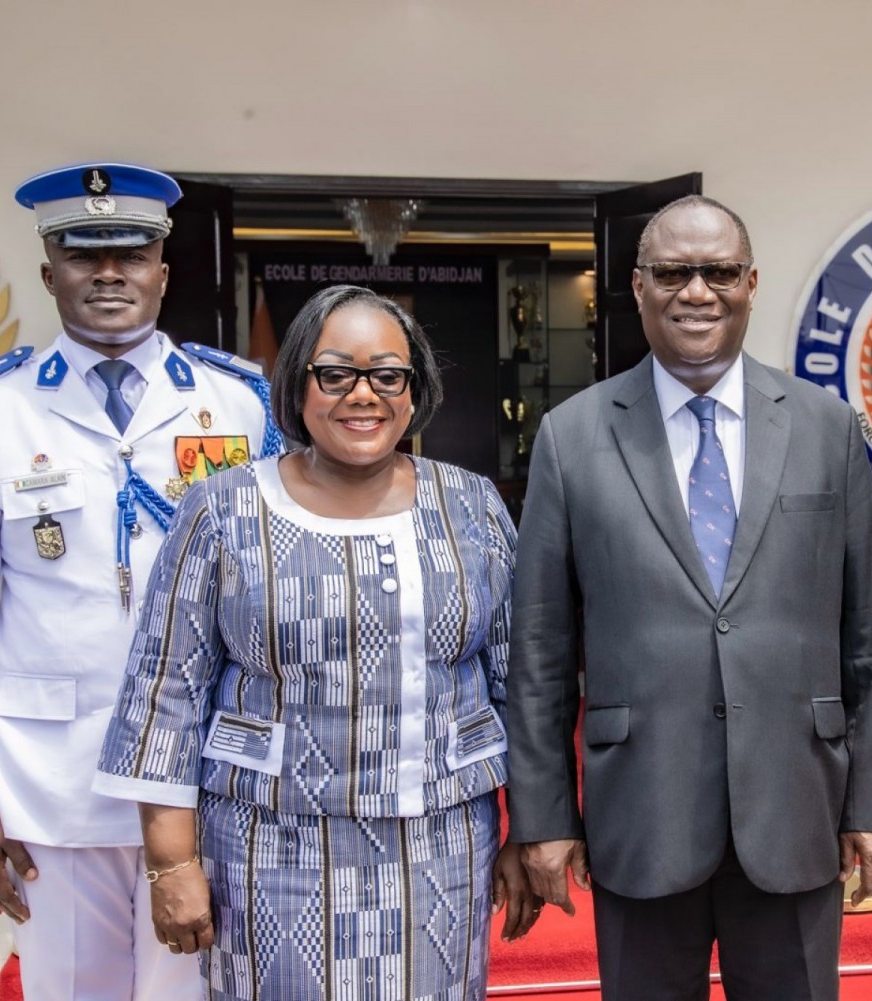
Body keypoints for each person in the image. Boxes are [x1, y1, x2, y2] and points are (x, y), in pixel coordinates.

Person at [506, 195, 872, 1001]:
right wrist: (545, 817)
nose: (698, 291)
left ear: (751, 282)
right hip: (641, 809)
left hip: (796, 804)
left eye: (719, 271)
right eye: (674, 272)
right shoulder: (573, 434)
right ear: (638, 285)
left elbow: (868, 628)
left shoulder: (827, 427)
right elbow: (542, 650)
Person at [94, 285, 541, 1000]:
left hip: (440, 849)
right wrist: (171, 863)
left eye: (387, 374)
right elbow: (164, 688)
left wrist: (532, 827)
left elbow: (520, 678)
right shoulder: (223, 506)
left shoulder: (470, 503)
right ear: (297, 383)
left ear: (415, 388)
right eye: (335, 373)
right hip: (268, 850)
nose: (362, 395)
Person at [0, 162, 278, 1000]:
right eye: (84, 256)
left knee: (196, 990)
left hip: (206, 773)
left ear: (163, 271)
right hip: (54, 782)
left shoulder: (238, 402)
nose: (108, 274)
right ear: (50, 273)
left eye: (131, 254)